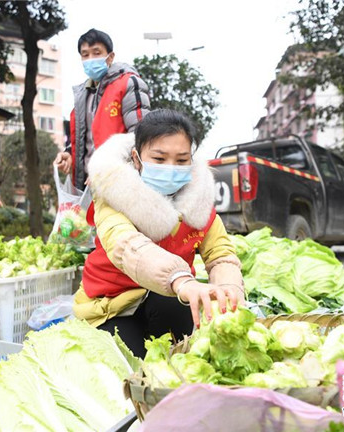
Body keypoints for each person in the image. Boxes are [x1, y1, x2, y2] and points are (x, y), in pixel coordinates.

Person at [72, 109, 245, 357]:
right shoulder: (112, 195)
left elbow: (220, 254)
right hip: (111, 302)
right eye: (159, 159)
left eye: (181, 160)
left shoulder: (199, 203)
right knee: (129, 363)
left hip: (167, 297)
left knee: (179, 320)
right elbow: (125, 244)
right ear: (136, 158)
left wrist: (229, 291)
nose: (171, 168)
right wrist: (181, 279)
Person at [54, 28, 151, 191]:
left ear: (110, 57)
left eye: (96, 53)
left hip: (119, 185)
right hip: (86, 186)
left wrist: (106, 171)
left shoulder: (129, 83)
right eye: (85, 55)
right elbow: (84, 139)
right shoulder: (82, 95)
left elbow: (141, 136)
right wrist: (69, 154)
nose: (90, 59)